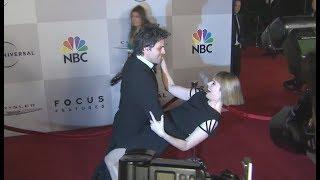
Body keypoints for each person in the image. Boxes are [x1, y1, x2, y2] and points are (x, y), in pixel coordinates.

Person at [105, 58, 244, 180]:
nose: (208, 84)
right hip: (155, 126)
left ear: (223, 92)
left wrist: (162, 133)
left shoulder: (212, 120)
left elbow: (186, 145)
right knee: (120, 163)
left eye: (213, 84)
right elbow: (171, 87)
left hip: (158, 137)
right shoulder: (200, 94)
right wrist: (163, 63)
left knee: (112, 160)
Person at [93, 24, 171, 180]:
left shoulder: (135, 59)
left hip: (125, 123)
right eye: (160, 48)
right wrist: (173, 133)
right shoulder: (141, 75)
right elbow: (155, 115)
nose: (164, 51)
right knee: (120, 170)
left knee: (111, 167)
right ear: (146, 48)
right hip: (133, 132)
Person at [110, 5, 151, 86]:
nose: (134, 19)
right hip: (133, 67)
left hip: (143, 69)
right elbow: (129, 53)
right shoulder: (132, 33)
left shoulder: (148, 32)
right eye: (132, 16)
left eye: (137, 16)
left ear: (142, 17)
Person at [231, 0, 245, 77]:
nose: (238, 8)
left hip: (238, 47)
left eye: (239, 6)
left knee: (237, 69)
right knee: (231, 69)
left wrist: (242, 43)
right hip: (230, 48)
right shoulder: (228, 18)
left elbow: (242, 31)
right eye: (236, 6)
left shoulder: (240, 17)